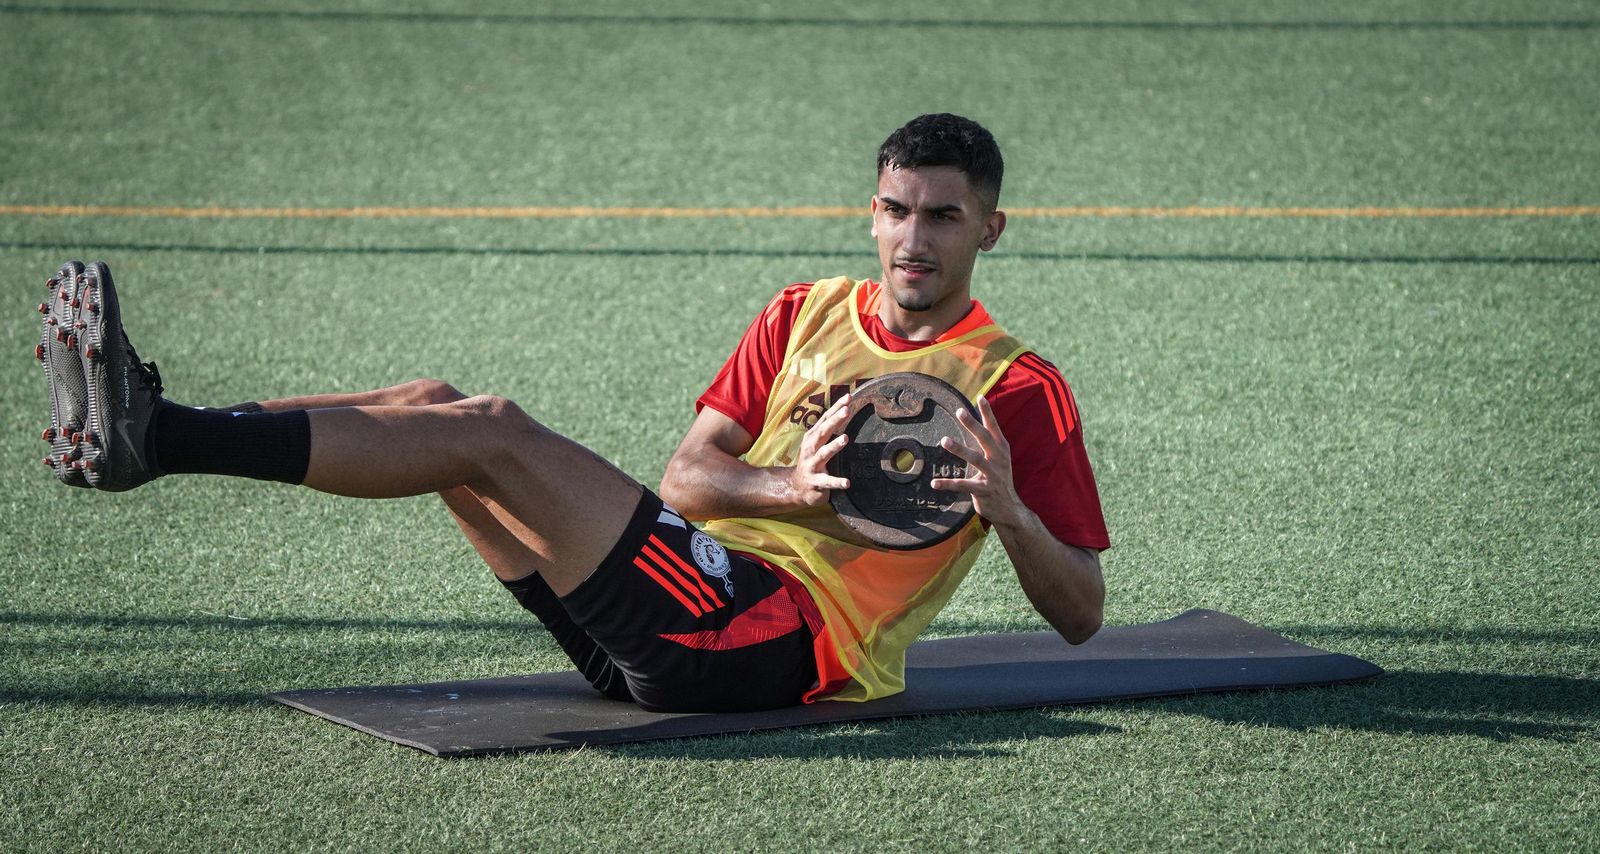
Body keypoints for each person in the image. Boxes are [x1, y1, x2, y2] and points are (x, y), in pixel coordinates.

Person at [34, 113, 1108, 713]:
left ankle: (156, 437)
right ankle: (156, 419)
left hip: (772, 637)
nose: (912, 238)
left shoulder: (1014, 385)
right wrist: (790, 486)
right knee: (436, 409)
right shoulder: (804, 310)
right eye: (893, 209)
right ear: (869, 212)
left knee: (490, 427)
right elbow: (689, 477)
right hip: (678, 594)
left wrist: (1007, 512)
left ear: (989, 230)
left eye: (941, 217)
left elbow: (1080, 615)